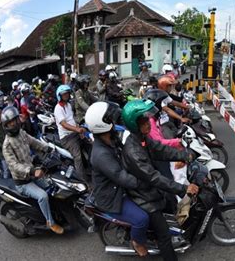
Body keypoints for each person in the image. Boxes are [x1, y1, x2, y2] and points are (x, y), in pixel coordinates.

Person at [121, 99, 198, 261]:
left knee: (171, 203)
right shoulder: (134, 151)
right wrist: (183, 188)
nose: (148, 123)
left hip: (149, 188)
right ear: (134, 124)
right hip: (143, 196)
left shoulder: (142, 139)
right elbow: (153, 177)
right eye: (143, 121)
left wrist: (184, 155)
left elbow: (161, 150)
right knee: (164, 235)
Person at [85, 101, 150, 257]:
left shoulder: (110, 138)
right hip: (112, 197)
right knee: (142, 218)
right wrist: (144, 183)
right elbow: (120, 177)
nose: (114, 122)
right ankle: (137, 242)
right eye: (110, 120)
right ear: (103, 124)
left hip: (118, 188)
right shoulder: (101, 154)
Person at [1, 106, 64, 234]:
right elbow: (14, 165)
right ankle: (50, 222)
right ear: (6, 125)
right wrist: (31, 171)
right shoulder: (7, 145)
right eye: (10, 122)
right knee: (43, 196)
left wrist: (49, 148)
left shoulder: (22, 133)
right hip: (23, 182)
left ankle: (56, 212)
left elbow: (35, 142)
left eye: (15, 120)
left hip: (33, 174)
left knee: (52, 185)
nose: (14, 123)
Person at [53, 85, 87, 180]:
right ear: (59, 96)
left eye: (67, 93)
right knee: (78, 157)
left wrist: (79, 128)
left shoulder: (68, 105)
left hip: (74, 133)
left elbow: (72, 120)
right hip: (67, 138)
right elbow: (64, 124)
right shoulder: (58, 108)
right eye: (64, 94)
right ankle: (83, 180)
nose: (67, 95)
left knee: (89, 144)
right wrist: (77, 130)